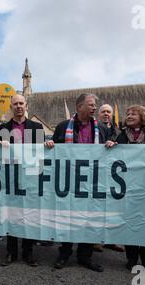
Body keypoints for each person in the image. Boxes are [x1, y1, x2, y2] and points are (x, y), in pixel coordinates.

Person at [45, 93, 108, 272]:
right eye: (90, 105)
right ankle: (64, 254)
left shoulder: (102, 129)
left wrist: (112, 143)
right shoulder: (64, 126)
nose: (94, 108)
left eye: (95, 105)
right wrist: (50, 144)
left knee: (89, 218)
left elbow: (111, 151)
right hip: (69, 181)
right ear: (79, 107)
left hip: (92, 181)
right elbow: (55, 148)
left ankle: (85, 256)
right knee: (68, 217)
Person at [105, 105, 145, 272]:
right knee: (129, 221)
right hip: (128, 187)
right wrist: (112, 144)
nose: (130, 116)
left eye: (134, 113)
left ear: (143, 116)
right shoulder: (121, 135)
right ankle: (131, 258)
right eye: (128, 113)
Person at [0, 94, 45, 267]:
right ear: (11, 107)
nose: (18, 106)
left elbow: (40, 153)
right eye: (15, 104)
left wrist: (49, 145)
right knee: (12, 214)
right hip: (10, 177)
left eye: (21, 103)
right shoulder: (1, 129)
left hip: (30, 176)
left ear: (26, 105)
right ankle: (11, 252)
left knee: (29, 214)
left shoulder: (37, 127)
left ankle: (28, 252)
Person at [94, 104, 125, 253]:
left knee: (112, 208)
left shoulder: (118, 131)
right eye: (103, 112)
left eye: (108, 112)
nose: (106, 114)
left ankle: (111, 240)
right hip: (98, 171)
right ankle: (96, 239)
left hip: (113, 173)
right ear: (98, 114)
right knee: (98, 207)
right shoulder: (94, 129)